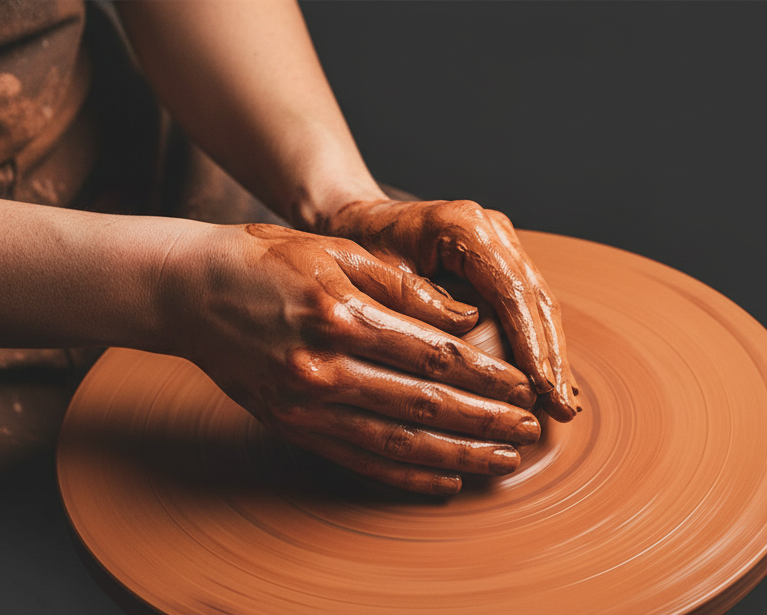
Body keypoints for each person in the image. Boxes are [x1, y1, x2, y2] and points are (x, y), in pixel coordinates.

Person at [0, 0, 578, 494]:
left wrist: (341, 200)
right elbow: (181, 279)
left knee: (391, 295)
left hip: (121, 152)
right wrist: (175, 286)